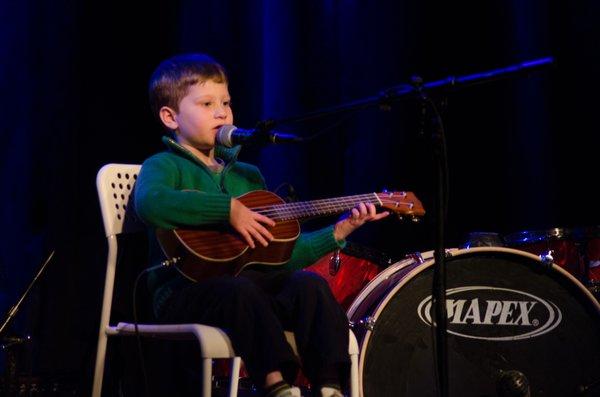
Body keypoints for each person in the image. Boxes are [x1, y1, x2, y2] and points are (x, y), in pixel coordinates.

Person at [134, 53, 389, 397]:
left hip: (248, 292)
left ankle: (330, 386)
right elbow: (151, 203)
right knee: (239, 290)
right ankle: (276, 386)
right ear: (170, 117)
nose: (222, 112)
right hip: (182, 293)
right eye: (207, 103)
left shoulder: (247, 176)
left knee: (308, 285)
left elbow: (277, 257)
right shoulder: (164, 165)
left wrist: (337, 233)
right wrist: (228, 210)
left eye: (226, 102)